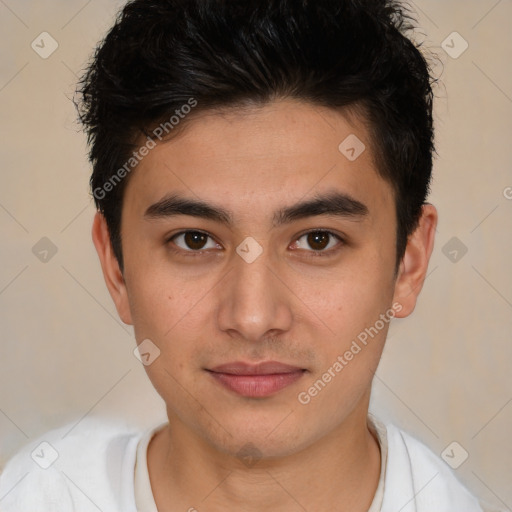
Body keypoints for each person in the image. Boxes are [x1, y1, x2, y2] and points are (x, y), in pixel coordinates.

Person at [0, 0, 499, 510]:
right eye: (194, 240)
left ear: (409, 263)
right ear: (116, 266)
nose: (254, 317)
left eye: (318, 240)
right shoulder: (38, 494)